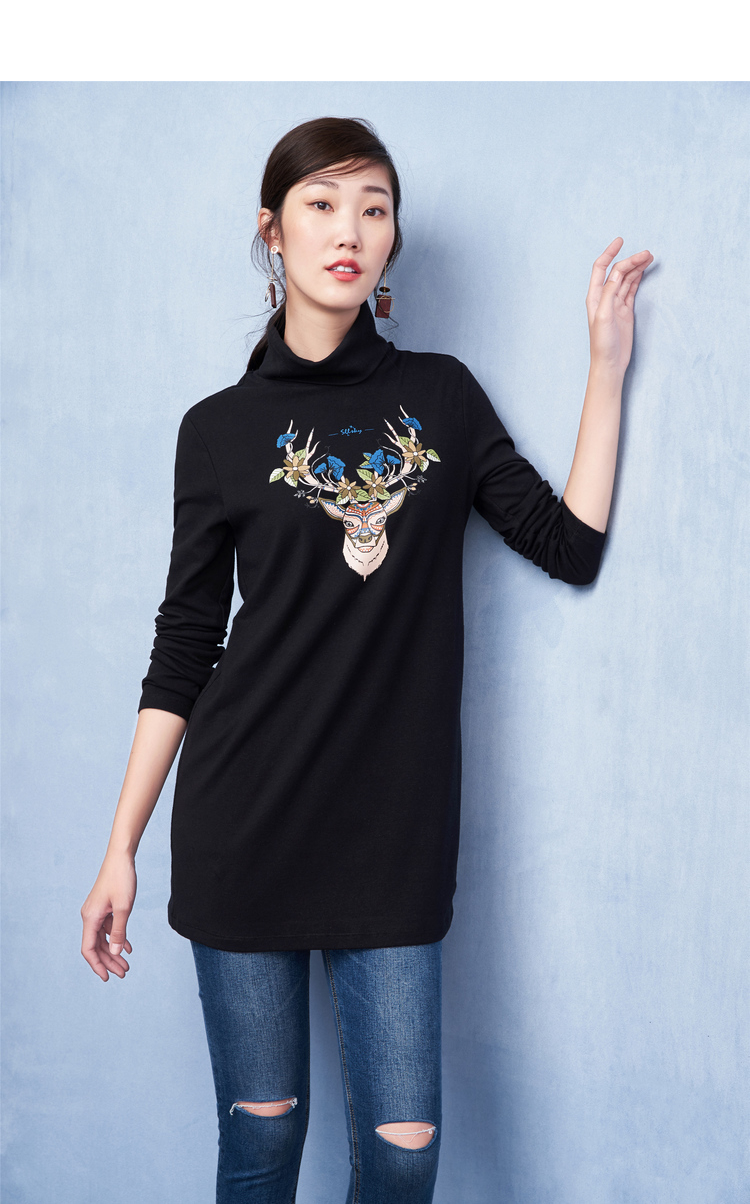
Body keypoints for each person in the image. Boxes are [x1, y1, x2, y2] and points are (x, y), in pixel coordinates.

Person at [80, 115, 652, 1203]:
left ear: (391, 241)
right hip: (244, 827)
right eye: (322, 203)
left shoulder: (441, 398)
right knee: (263, 1145)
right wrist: (121, 848)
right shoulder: (218, 429)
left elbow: (568, 546)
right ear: (273, 230)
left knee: (401, 1153)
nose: (349, 229)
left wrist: (608, 368)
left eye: (374, 208)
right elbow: (185, 645)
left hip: (392, 840)